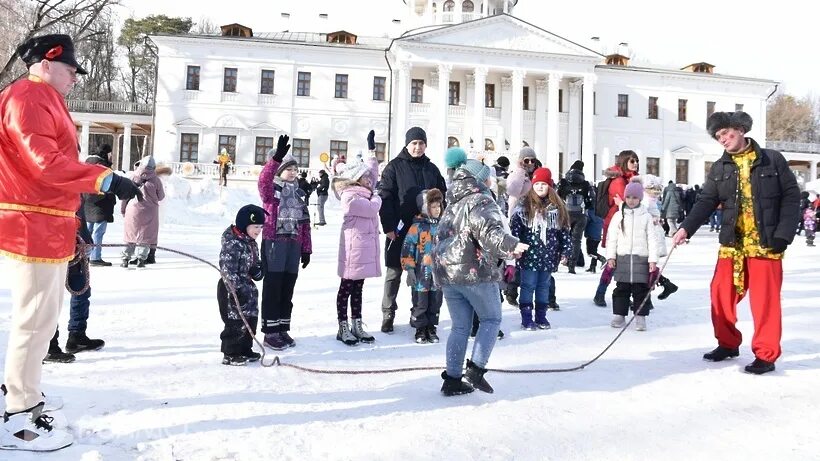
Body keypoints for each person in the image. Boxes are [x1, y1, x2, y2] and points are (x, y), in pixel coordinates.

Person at [0, 34, 142, 452]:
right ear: (46, 63)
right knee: (34, 319)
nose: (75, 78)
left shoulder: (43, 97)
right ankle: (17, 415)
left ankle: (25, 393)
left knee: (44, 319)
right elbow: (44, 164)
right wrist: (104, 178)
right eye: (70, 70)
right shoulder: (27, 97)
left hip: (48, 222)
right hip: (32, 222)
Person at [672, 111, 800, 375]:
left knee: (765, 301)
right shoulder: (720, 168)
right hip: (733, 243)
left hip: (766, 243)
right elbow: (706, 200)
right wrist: (686, 228)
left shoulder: (772, 160)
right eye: (718, 136)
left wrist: (783, 235)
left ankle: (765, 354)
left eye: (725, 133)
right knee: (720, 293)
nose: (722, 139)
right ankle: (728, 343)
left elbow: (791, 197)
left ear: (740, 129)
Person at [434, 148, 527, 396]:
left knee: (460, 327)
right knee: (491, 319)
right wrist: (511, 245)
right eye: (489, 177)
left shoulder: (452, 201)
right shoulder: (481, 199)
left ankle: (452, 379)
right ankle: (476, 368)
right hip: (473, 271)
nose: (491, 182)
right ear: (481, 179)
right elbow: (488, 231)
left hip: (448, 273)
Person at [378, 127, 446, 333]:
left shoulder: (432, 169)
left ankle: (419, 313)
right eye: (414, 143)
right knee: (394, 272)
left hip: (427, 232)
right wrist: (388, 226)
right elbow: (385, 197)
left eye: (421, 143)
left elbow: (442, 196)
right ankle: (388, 312)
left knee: (424, 275)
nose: (417, 147)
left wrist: (440, 221)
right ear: (407, 144)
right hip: (399, 229)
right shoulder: (394, 167)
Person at [258, 135, 312, 350]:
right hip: (274, 244)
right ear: (280, 171)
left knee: (287, 289)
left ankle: (282, 328)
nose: (292, 172)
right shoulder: (272, 192)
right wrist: (276, 159)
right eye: (288, 168)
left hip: (294, 246)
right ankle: (270, 332)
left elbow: (305, 224)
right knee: (273, 287)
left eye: (294, 169)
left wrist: (306, 249)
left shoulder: (299, 194)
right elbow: (263, 180)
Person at [510, 167, 571, 330]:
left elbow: (564, 231)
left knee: (544, 286)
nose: (540, 187)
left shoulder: (557, 208)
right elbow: (515, 229)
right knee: (527, 285)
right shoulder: (524, 207)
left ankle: (541, 316)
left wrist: (566, 250)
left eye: (544, 184)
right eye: (537, 184)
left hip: (548, 256)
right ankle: (527, 317)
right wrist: (514, 245)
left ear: (550, 186)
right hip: (529, 256)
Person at [331, 155, 381, 346]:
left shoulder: (365, 193)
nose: (370, 180)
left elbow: (374, 174)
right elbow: (370, 209)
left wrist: (371, 154)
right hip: (353, 251)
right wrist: (376, 196)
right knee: (346, 288)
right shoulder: (350, 195)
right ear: (356, 178)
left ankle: (357, 324)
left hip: (363, 250)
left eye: (370, 177)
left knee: (358, 289)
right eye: (365, 177)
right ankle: (342, 326)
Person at [605, 181, 659, 331]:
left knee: (640, 289)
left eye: (634, 197)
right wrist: (611, 256)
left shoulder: (646, 216)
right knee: (621, 288)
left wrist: (652, 260)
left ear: (640, 198)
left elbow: (652, 239)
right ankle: (619, 315)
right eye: (628, 197)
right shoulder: (618, 216)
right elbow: (612, 238)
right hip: (622, 257)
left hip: (640, 258)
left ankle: (640, 317)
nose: (631, 200)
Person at [217, 204, 266, 366]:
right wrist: (236, 289)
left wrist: (257, 270)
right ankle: (230, 353)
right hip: (231, 288)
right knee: (235, 321)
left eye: (260, 226)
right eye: (255, 226)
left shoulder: (251, 242)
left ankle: (245, 348)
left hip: (248, 286)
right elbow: (227, 269)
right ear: (244, 225)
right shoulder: (233, 243)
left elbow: (254, 262)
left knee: (250, 318)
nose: (258, 230)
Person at [593, 151, 639, 307]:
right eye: (632, 161)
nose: (635, 163)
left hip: (628, 224)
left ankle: (632, 296)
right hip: (617, 226)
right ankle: (601, 293)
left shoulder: (630, 179)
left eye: (637, 161)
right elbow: (628, 204)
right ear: (624, 162)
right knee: (615, 263)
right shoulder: (619, 181)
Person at [401, 188, 444, 344]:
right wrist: (410, 269)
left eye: (439, 206)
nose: (437, 209)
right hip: (421, 274)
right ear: (425, 208)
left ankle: (431, 327)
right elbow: (407, 248)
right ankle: (420, 328)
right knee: (420, 303)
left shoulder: (443, 226)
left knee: (435, 302)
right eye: (433, 206)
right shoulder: (417, 227)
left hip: (438, 275)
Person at [502, 147, 539, 306]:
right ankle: (511, 290)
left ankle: (540, 295)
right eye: (526, 160)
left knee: (533, 256)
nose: (530, 163)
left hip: (534, 218)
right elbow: (512, 191)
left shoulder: (538, 173)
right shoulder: (516, 174)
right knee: (516, 254)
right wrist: (519, 172)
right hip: (517, 217)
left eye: (532, 160)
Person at [121, 156, 165, 268]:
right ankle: (141, 259)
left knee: (130, 234)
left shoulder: (133, 177)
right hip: (150, 211)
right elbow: (161, 196)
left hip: (133, 210)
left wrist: (123, 209)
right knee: (145, 235)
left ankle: (125, 258)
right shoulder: (156, 180)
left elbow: (125, 195)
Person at [557, 160, 594, 274]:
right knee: (576, 240)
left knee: (561, 237)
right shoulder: (585, 183)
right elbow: (591, 200)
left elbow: (556, 195)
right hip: (580, 215)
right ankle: (572, 265)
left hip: (565, 214)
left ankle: (557, 261)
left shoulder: (563, 182)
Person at [84, 144, 116, 266]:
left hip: (87, 203)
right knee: (98, 232)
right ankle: (95, 257)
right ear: (106, 154)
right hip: (101, 204)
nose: (111, 156)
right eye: (110, 153)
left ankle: (85, 256)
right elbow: (109, 187)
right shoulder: (104, 168)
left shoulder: (87, 164)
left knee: (87, 232)